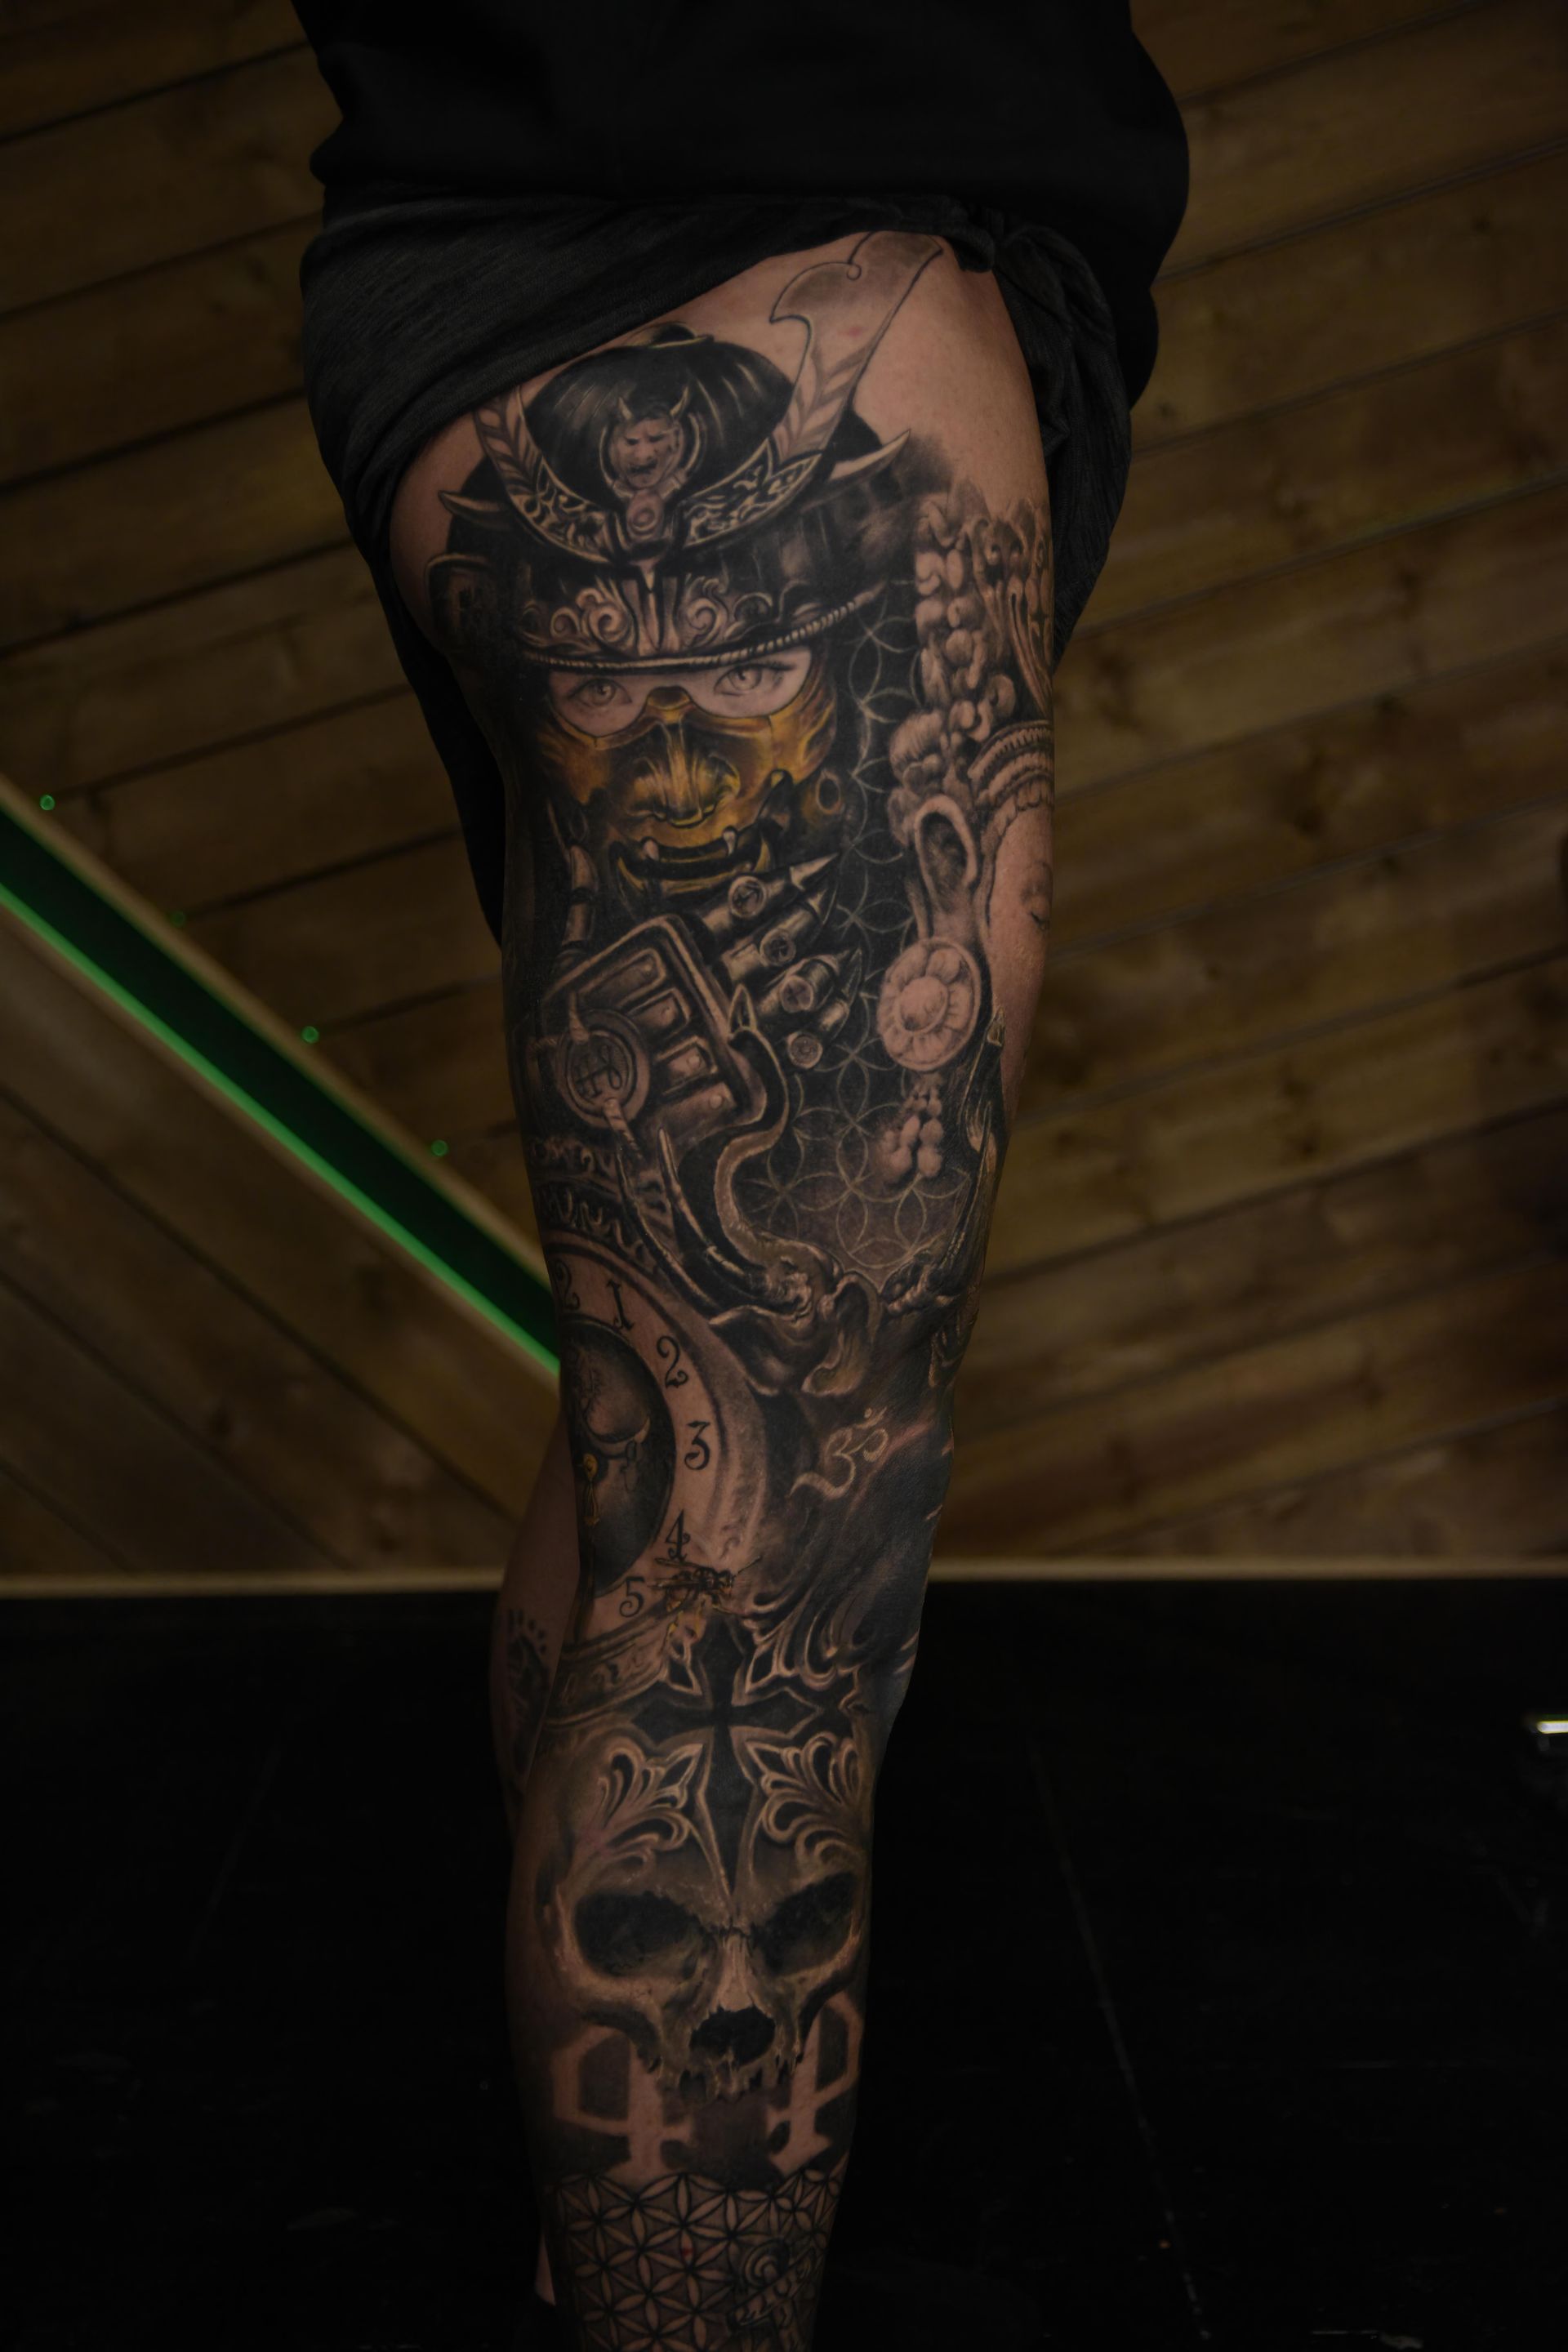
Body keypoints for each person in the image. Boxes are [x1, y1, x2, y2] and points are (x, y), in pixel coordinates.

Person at [292, 7, 1187, 2343]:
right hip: (778, 272)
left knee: (681, 1406)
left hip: (480, 273)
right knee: (773, 1541)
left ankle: (599, 2275)